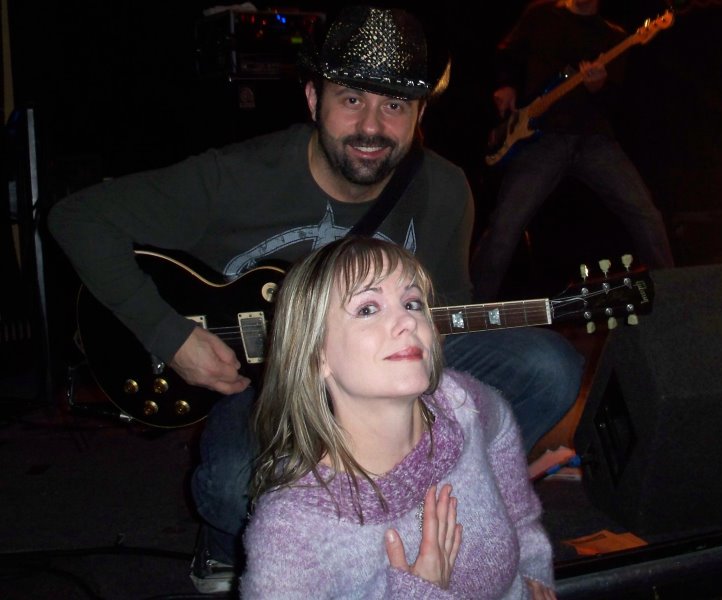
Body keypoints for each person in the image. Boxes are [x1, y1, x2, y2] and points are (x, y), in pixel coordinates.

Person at [47, 5, 583, 593]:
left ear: (420, 114)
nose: (372, 126)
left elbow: (447, 314)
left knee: (549, 366)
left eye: (395, 105)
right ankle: (226, 547)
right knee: (231, 487)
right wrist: (169, 336)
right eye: (351, 98)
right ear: (312, 99)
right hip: (260, 383)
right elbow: (79, 218)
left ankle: (435, 498)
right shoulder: (237, 177)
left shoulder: (444, 190)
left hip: (371, 371)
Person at [241, 235, 556, 599]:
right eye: (367, 309)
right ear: (316, 356)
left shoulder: (457, 403)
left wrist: (531, 557)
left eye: (412, 303)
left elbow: (499, 429)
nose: (407, 320)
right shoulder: (291, 530)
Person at [470, 0, 675, 302]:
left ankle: (673, 296)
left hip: (594, 139)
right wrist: (506, 85)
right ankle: (470, 308)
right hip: (542, 138)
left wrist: (599, 88)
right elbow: (508, 53)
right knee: (505, 224)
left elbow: (616, 104)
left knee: (646, 214)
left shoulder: (615, 37)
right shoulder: (541, 14)